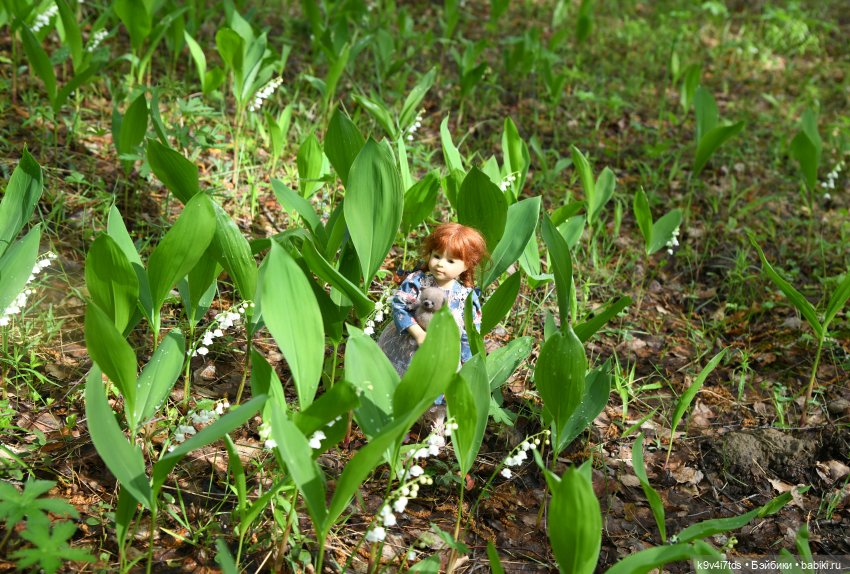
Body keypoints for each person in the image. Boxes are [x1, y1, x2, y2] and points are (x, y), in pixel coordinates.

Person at [382, 223, 488, 381]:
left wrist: (465, 363)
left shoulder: (466, 297)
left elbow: (470, 333)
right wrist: (418, 334)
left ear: (467, 265)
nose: (440, 264)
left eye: (451, 261)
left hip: (443, 354)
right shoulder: (417, 282)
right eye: (437, 256)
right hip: (408, 346)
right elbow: (400, 306)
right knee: (397, 382)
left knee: (432, 391)